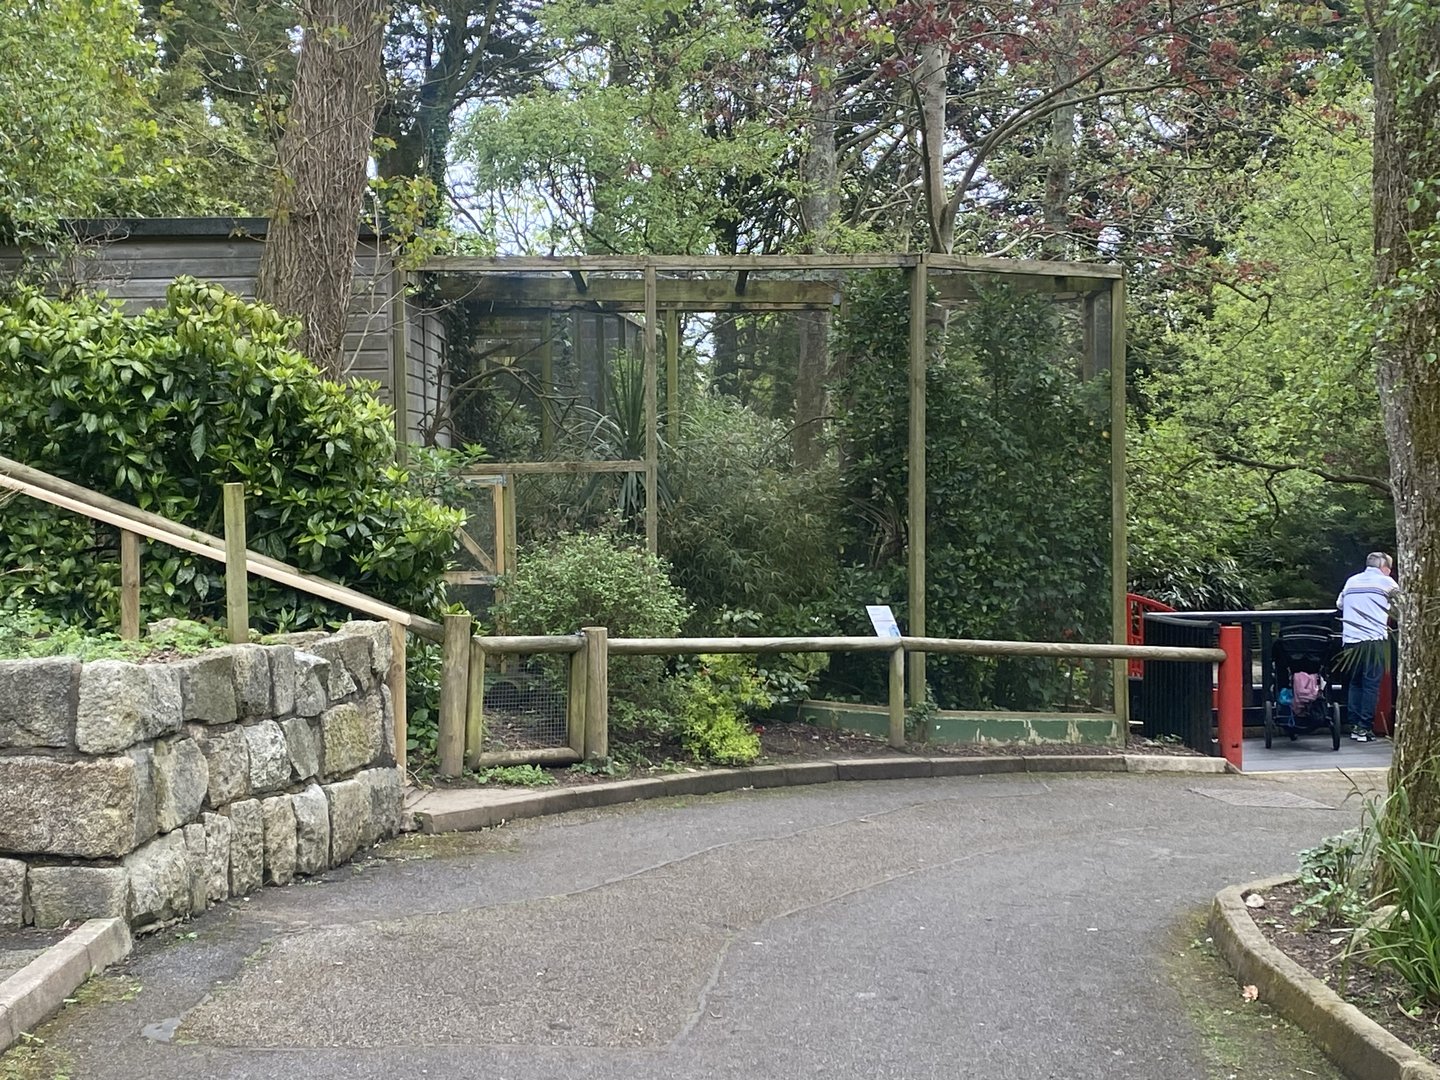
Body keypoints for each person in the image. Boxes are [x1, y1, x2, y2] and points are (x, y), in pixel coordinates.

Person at [1336, 552, 1398, 742]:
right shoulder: (1388, 583)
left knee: (1355, 683)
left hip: (1350, 640)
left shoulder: (1351, 581)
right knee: (1371, 684)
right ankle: (1364, 727)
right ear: (1384, 568)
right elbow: (1401, 608)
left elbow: (1339, 604)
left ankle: (1354, 725)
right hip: (1373, 640)